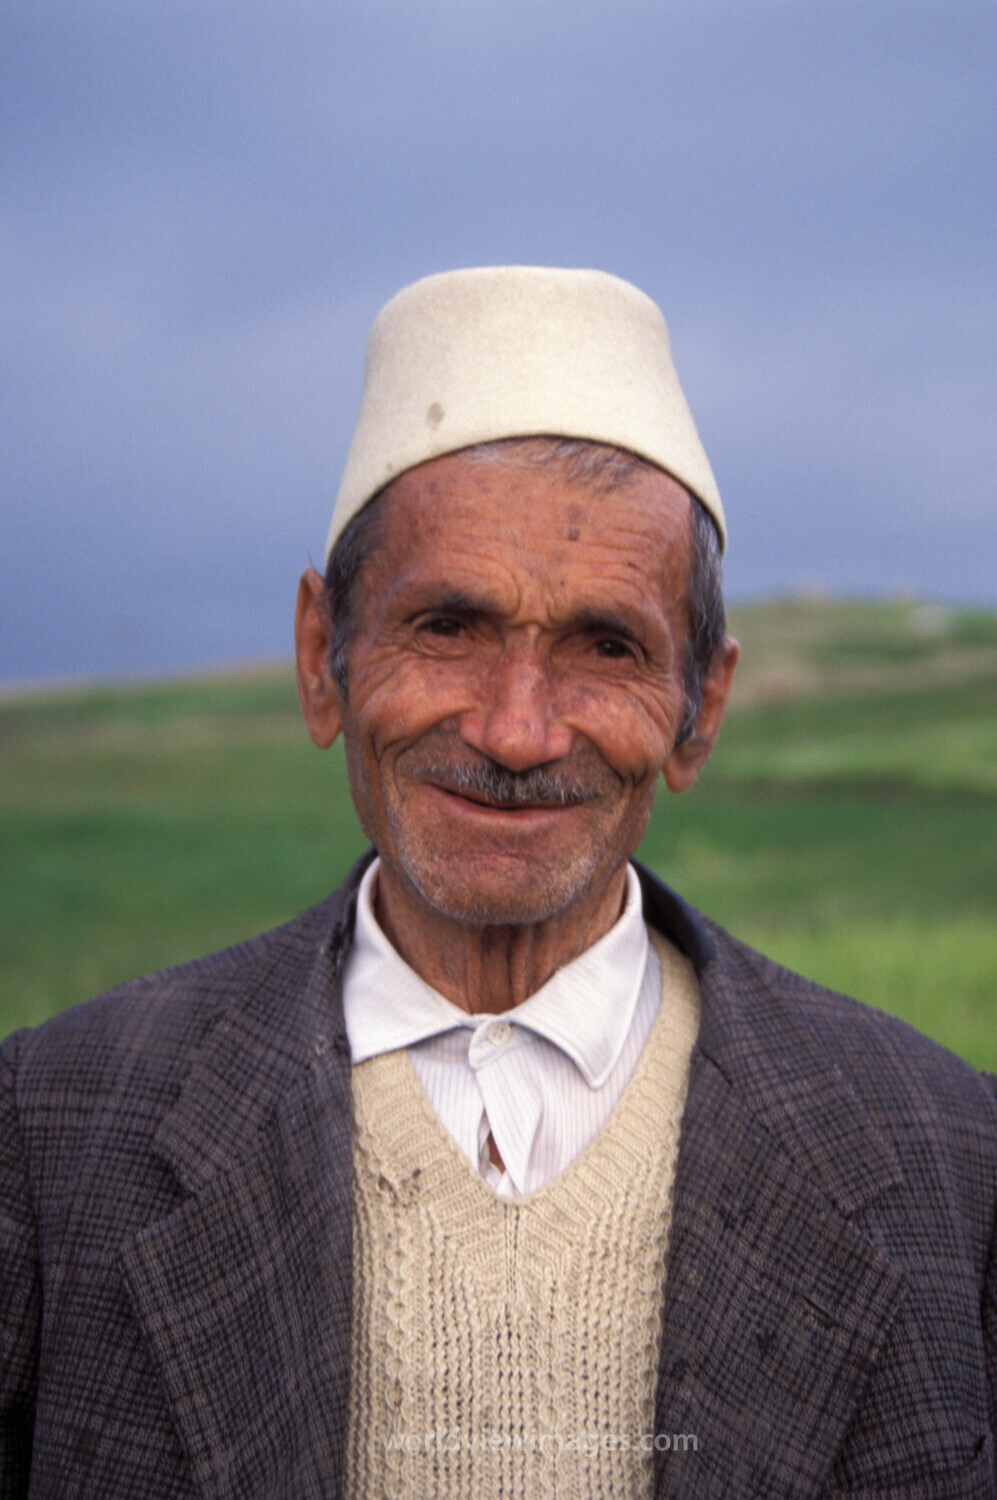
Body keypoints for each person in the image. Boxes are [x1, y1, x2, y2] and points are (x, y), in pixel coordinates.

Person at [1, 267, 994, 1500]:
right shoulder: (48, 1134)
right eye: (448, 627)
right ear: (324, 663)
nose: (519, 732)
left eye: (606, 646)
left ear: (699, 712)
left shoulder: (955, 1154)